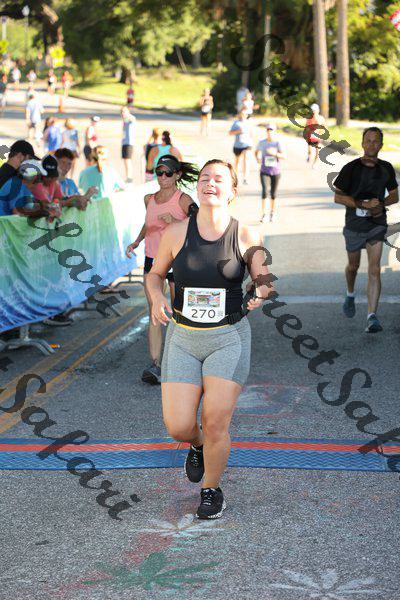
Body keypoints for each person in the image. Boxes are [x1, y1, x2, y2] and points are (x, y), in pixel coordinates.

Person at [145, 159, 271, 519]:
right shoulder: (176, 232)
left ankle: (212, 490)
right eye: (204, 178)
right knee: (178, 426)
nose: (210, 183)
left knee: (216, 421)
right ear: (197, 187)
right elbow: (155, 275)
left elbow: (264, 278)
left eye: (218, 179)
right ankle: (196, 444)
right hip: (183, 337)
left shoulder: (245, 234)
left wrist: (260, 292)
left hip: (228, 338)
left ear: (232, 191)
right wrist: (156, 296)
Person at [125, 154, 199, 384]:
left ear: (177, 175)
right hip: (152, 260)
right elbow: (148, 223)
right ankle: (156, 364)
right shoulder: (149, 199)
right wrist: (137, 241)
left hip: (177, 260)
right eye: (159, 172)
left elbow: (199, 222)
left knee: (179, 312)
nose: (163, 177)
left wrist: (175, 222)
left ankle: (180, 359)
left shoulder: (183, 200)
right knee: (154, 311)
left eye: (168, 173)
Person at [334, 127, 399, 333]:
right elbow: (338, 196)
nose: (372, 144)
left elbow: (395, 195)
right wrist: (363, 204)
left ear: (381, 145)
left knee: (374, 269)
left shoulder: (386, 168)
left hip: (376, 225)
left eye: (376, 141)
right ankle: (350, 293)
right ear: (362, 144)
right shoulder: (351, 168)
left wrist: (381, 204)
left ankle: (372, 316)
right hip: (354, 225)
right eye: (368, 141)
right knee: (353, 266)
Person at [255, 122, 285, 223]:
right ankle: (264, 214)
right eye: (268, 130)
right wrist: (258, 158)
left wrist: (275, 154)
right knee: (264, 191)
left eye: (271, 130)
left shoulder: (277, 143)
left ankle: (272, 213)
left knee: (273, 193)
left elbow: (284, 156)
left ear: (274, 131)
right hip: (264, 170)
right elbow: (256, 152)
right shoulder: (262, 142)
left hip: (276, 171)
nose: (269, 132)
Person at [229, 109, 253, 185]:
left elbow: (251, 133)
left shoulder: (249, 123)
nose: (243, 115)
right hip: (238, 145)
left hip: (247, 145)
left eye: (244, 114)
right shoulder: (236, 123)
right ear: (239, 114)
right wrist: (238, 131)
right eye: (242, 114)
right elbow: (230, 133)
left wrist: (251, 142)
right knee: (237, 162)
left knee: (246, 160)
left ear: (246, 115)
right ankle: (236, 177)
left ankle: (245, 178)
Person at [305, 103, 325, 168]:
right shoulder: (309, 118)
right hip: (310, 136)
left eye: (315, 110)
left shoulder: (321, 118)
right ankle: (309, 155)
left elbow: (324, 128)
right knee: (309, 148)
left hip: (317, 136)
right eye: (312, 110)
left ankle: (315, 163)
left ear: (318, 111)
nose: (313, 112)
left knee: (317, 150)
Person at [121, 106, 136, 182]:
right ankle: (128, 176)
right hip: (124, 143)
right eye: (121, 112)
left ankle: (129, 177)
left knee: (128, 160)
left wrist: (127, 114)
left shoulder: (130, 118)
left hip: (129, 143)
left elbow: (133, 119)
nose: (122, 113)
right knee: (125, 160)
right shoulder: (125, 120)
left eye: (124, 111)